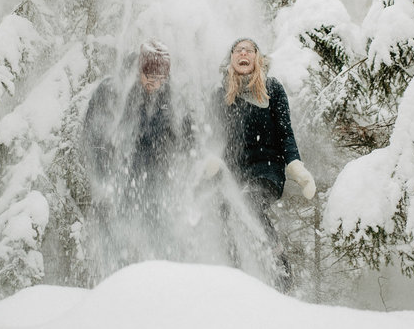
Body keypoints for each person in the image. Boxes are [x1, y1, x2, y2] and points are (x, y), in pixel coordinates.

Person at [211, 37, 316, 291]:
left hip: (267, 168)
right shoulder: (221, 94)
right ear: (232, 58)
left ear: (257, 57)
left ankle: (280, 272)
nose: (243, 53)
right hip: (235, 171)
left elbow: (285, 132)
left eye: (249, 49)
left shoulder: (272, 88)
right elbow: (214, 137)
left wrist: (295, 165)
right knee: (223, 211)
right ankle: (233, 276)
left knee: (249, 201)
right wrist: (211, 160)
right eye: (238, 50)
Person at [81, 39, 192, 268]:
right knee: (116, 233)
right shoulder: (113, 91)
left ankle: (165, 276)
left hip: (156, 178)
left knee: (161, 231)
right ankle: (116, 281)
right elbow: (93, 136)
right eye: (149, 76)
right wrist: (103, 179)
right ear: (138, 70)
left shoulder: (171, 97)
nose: (155, 83)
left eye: (161, 78)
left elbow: (186, 134)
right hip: (118, 176)